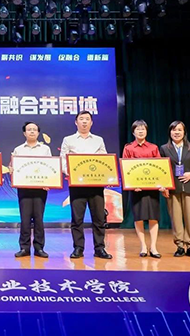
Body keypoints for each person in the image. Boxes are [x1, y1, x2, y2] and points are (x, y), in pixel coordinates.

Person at [60, 110, 112, 260]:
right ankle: (78, 248)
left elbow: (104, 160)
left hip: (96, 185)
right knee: (77, 218)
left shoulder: (98, 140)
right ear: (76, 122)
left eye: (87, 119)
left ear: (91, 122)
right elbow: (63, 160)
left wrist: (106, 176)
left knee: (99, 218)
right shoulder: (68, 140)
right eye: (81, 119)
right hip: (77, 185)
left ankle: (100, 248)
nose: (84, 121)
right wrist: (70, 172)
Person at [159, 121, 190, 258]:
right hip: (173, 189)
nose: (177, 132)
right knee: (176, 219)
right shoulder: (164, 148)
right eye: (174, 130)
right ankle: (179, 246)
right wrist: (164, 186)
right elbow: (161, 169)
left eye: (179, 130)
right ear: (170, 132)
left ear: (184, 132)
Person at [122, 120, 163, 259]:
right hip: (136, 189)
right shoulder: (128, 148)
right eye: (138, 129)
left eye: (143, 129)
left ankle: (154, 247)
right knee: (138, 217)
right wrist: (133, 185)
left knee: (153, 217)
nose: (140, 131)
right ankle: (143, 246)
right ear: (133, 132)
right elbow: (125, 168)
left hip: (152, 188)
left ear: (147, 131)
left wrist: (160, 184)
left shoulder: (153, 147)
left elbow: (159, 167)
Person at [11, 122, 51, 258]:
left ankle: (39, 248)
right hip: (24, 188)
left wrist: (48, 181)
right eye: (29, 130)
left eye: (34, 129)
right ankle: (24, 247)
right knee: (25, 218)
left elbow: (49, 167)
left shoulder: (45, 149)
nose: (32, 132)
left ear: (38, 133)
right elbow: (14, 167)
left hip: (40, 188)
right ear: (24, 133)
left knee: (39, 218)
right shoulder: (18, 149)